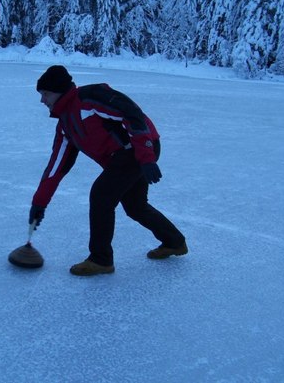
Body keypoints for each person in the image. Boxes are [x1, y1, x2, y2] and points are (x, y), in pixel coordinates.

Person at [29, 65, 188, 276]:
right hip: (125, 157)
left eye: (45, 94)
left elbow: (131, 113)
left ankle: (101, 260)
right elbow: (56, 167)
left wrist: (146, 156)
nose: (42, 100)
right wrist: (39, 203)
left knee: (101, 195)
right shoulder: (66, 126)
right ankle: (174, 242)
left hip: (139, 146)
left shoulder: (90, 98)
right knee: (135, 205)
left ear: (59, 91)